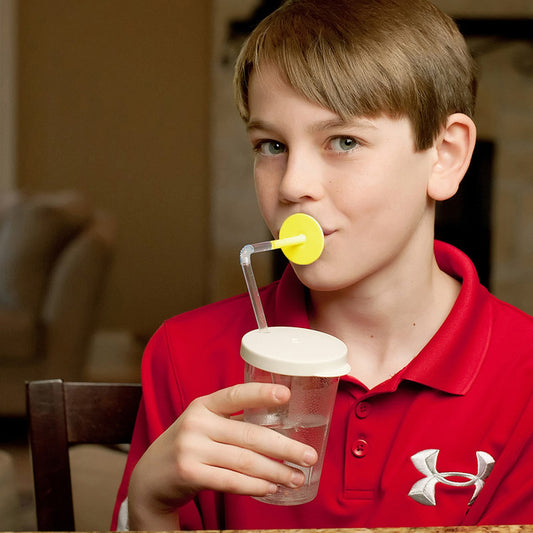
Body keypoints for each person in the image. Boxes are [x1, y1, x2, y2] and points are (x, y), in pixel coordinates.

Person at [112, 0, 533, 529]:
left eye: (344, 141)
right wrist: (149, 506)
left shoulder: (525, 378)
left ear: (445, 155)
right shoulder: (184, 353)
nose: (292, 185)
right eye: (271, 145)